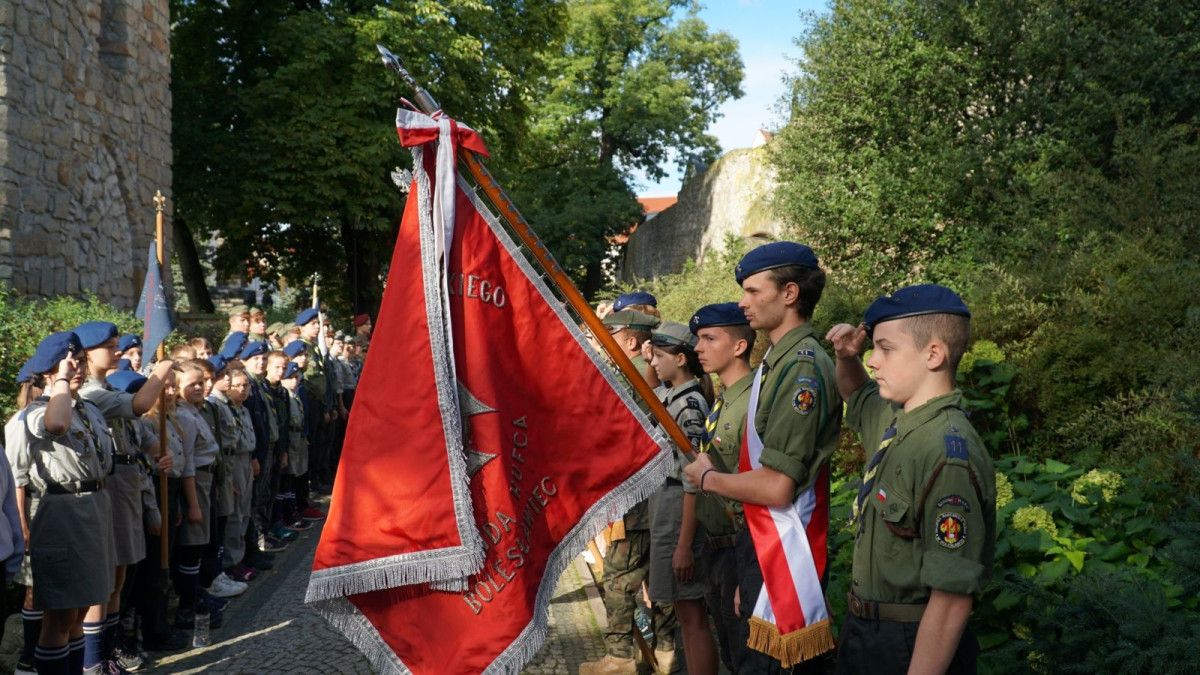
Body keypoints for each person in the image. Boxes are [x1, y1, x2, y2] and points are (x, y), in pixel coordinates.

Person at [684, 242, 842, 673]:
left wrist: (708, 479)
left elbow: (776, 485)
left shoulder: (801, 367)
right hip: (762, 547)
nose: (743, 301)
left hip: (785, 551)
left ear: (789, 294)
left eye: (753, 291)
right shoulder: (779, 362)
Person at [825, 285, 996, 675]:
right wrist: (846, 357)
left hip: (911, 642)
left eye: (886, 349)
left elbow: (951, 598)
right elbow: (855, 393)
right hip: (864, 630)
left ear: (933, 354)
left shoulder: (947, 451)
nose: (873, 361)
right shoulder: (897, 418)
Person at [73, 320, 174, 674]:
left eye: (117, 344)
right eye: (110, 346)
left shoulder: (102, 388)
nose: (117, 351)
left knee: (118, 577)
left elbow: (144, 434)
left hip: (128, 483)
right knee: (107, 577)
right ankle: (94, 659)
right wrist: (161, 371)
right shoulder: (89, 393)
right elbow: (140, 404)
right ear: (87, 353)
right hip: (111, 485)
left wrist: (160, 451)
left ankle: (107, 651)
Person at [581, 309, 673, 675]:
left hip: (638, 496)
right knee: (657, 578)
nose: (605, 342)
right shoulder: (644, 371)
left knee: (618, 579)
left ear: (631, 340)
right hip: (651, 494)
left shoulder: (635, 373)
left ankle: (621, 657)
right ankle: (665, 652)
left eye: (611, 334)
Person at [22, 332, 115, 675]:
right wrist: (60, 380)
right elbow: (56, 425)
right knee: (60, 615)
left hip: (93, 509)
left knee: (79, 611)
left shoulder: (86, 409)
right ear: (48, 371)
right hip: (62, 513)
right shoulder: (36, 411)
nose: (76, 368)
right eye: (67, 364)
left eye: (78, 362)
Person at [645, 321, 716, 675]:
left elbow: (694, 478)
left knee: (690, 613)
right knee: (682, 607)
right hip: (666, 503)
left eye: (659, 356)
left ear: (682, 358)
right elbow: (648, 392)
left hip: (679, 508)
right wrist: (647, 357)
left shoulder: (689, 406)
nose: (654, 363)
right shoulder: (672, 396)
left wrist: (684, 544)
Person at [689, 302, 756, 673]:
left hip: (741, 545)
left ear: (739, 346)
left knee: (746, 655)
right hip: (715, 545)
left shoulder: (753, 402)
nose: (698, 348)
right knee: (731, 652)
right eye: (698, 339)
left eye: (709, 338)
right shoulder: (723, 400)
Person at [220, 367, 261, 582]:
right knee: (234, 513)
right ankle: (231, 561)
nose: (243, 389)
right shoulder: (225, 409)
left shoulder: (243, 409)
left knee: (245, 511)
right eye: (237, 385)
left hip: (245, 458)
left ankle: (241, 556)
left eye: (246, 385)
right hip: (233, 461)